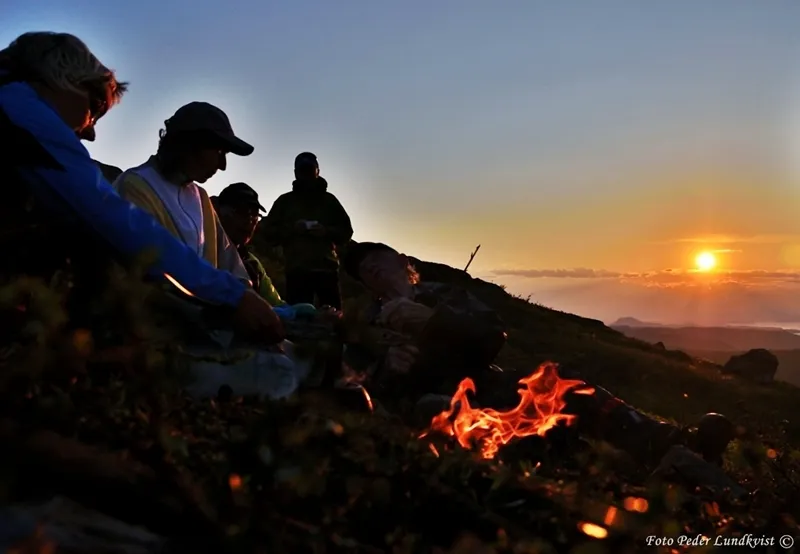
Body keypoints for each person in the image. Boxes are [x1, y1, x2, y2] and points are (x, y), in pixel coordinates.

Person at [0, 31, 283, 361]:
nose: (91, 131)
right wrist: (232, 297)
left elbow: (232, 270)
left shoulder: (202, 200)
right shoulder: (21, 109)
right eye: (95, 108)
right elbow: (111, 218)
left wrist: (272, 308)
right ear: (61, 81)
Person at [114, 102, 254, 285]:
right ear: (192, 144)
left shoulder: (201, 198)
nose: (223, 165)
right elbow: (150, 274)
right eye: (220, 152)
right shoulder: (135, 187)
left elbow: (231, 265)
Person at [260, 152, 353, 310]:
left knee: (334, 319)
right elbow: (268, 233)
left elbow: (346, 232)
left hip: (327, 271)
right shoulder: (285, 202)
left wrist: (326, 231)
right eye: (303, 171)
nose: (307, 175)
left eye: (310, 170)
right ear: (296, 173)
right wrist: (292, 230)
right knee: (299, 320)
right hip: (297, 272)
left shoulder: (330, 201)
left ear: (318, 171)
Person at [212, 183, 285, 307]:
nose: (249, 220)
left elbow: (276, 303)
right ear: (220, 213)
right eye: (241, 211)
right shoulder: (204, 249)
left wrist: (304, 312)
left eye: (255, 214)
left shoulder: (252, 263)